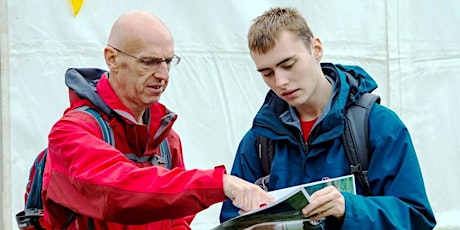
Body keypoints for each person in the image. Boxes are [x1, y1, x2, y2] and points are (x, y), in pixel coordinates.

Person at [41, 10, 274, 229]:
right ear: (111, 58)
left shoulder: (165, 139)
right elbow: (118, 191)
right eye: (149, 62)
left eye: (168, 61)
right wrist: (218, 184)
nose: (163, 74)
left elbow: (177, 221)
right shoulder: (71, 132)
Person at [220, 7, 436, 230]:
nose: (280, 81)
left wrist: (348, 209)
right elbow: (229, 219)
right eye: (267, 73)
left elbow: (417, 218)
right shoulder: (259, 140)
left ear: (316, 49)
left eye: (288, 65)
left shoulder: (378, 126)